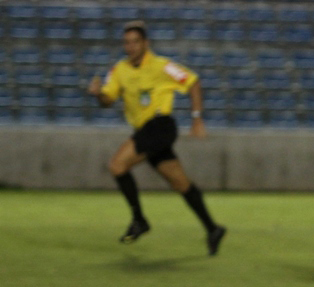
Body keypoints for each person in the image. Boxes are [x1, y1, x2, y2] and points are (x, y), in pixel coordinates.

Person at [87, 20, 226, 256]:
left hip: (161, 126)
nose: (130, 47)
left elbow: (192, 82)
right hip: (144, 131)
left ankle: (139, 220)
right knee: (181, 183)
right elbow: (108, 100)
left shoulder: (162, 66)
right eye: (126, 43)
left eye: (135, 42)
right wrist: (98, 94)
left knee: (117, 165)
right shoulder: (119, 70)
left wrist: (197, 118)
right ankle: (213, 229)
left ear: (146, 43)